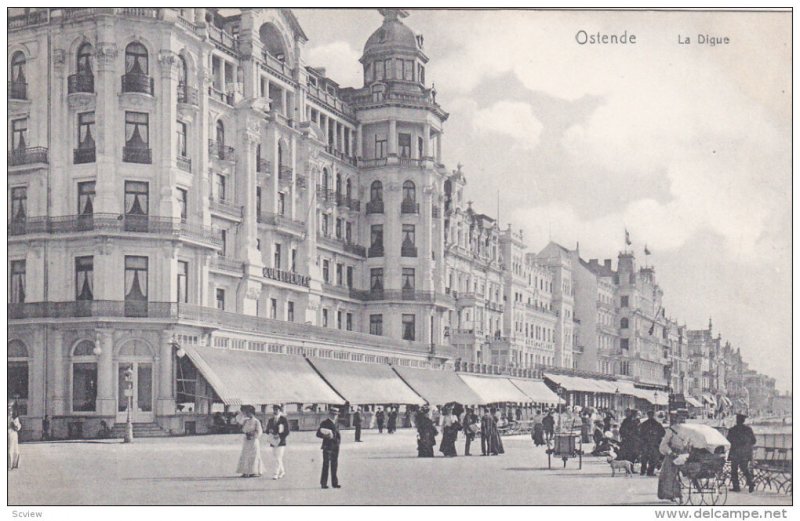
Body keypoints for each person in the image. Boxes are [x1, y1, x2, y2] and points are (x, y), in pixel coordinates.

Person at [658, 412, 690, 501]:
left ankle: (672, 494)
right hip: (684, 454)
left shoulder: (671, 430)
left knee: (668, 474)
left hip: (675, 454)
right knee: (672, 474)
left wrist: (670, 452)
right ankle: (676, 494)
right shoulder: (689, 430)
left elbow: (663, 444)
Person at [727, 413, 757, 493]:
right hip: (745, 453)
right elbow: (754, 441)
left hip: (735, 453)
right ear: (743, 421)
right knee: (744, 468)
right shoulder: (748, 429)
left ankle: (736, 487)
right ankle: (751, 483)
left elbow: (728, 440)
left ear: (737, 420)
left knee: (734, 470)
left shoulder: (732, 430)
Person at [316, 407, 342, 489]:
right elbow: (318, 434)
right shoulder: (325, 423)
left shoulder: (336, 422)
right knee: (326, 464)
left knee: (334, 464)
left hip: (335, 446)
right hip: (327, 446)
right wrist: (326, 436)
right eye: (333, 414)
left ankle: (334, 483)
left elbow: (338, 434)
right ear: (329, 414)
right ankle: (323, 483)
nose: (335, 416)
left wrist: (338, 442)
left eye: (336, 414)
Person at [235, 405, 263, 478]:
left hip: (253, 440)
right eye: (246, 412)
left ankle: (254, 471)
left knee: (254, 455)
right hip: (247, 440)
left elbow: (259, 431)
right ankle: (245, 471)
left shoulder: (256, 421)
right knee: (245, 455)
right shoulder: (245, 421)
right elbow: (240, 423)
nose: (247, 414)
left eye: (248, 412)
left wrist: (253, 435)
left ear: (252, 413)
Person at [266, 405, 290, 480]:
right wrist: (269, 431)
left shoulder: (284, 419)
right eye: (274, 409)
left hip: (281, 441)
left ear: (280, 410)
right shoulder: (271, 420)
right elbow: (266, 430)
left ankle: (275, 473)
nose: (275, 411)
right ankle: (282, 471)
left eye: (276, 410)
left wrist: (279, 436)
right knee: (276, 457)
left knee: (278, 457)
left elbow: (287, 431)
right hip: (273, 441)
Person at [639, 410, 666, 476]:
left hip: (651, 443)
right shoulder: (656, 424)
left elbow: (663, 433)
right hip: (651, 443)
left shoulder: (648, 424)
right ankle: (646, 471)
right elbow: (663, 433)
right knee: (649, 458)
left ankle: (646, 471)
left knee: (649, 458)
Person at [8, 403, 21, 470]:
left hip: (14, 434)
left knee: (15, 449)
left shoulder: (15, 418)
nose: (10, 410)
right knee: (9, 449)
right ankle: (9, 465)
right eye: (8, 408)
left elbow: (18, 426)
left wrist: (16, 427)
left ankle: (14, 464)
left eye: (10, 409)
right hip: (9, 433)